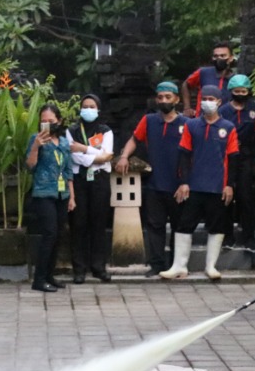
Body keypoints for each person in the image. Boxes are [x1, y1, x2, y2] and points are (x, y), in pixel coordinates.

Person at [160, 85, 239, 280]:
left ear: (220, 102)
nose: (208, 102)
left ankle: (211, 266)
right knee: (184, 224)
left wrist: (229, 185)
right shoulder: (191, 125)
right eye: (205, 98)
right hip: (194, 185)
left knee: (216, 226)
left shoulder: (228, 128)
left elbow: (234, 158)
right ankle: (179, 266)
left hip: (218, 186)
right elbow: (184, 155)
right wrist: (184, 182)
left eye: (212, 98)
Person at [116, 82, 187, 276]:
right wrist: (124, 156)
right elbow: (134, 139)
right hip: (155, 183)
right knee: (154, 226)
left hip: (179, 185)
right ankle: (156, 264)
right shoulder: (148, 120)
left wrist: (186, 182)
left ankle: (176, 265)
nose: (164, 100)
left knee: (178, 226)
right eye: (161, 97)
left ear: (177, 100)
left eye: (168, 97)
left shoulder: (187, 124)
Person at [25, 104, 76, 292]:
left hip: (62, 193)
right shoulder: (35, 139)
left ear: (59, 121)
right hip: (43, 192)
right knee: (49, 234)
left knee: (58, 235)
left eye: (50, 121)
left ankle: (49, 275)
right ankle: (38, 279)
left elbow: (68, 170)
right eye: (43, 121)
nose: (46, 124)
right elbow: (30, 166)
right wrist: (36, 147)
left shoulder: (63, 142)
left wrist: (72, 196)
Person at [67, 94, 115, 283]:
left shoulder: (106, 131)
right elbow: (73, 156)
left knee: (99, 224)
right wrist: (98, 156)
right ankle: (79, 269)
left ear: (98, 109)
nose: (88, 109)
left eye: (92, 106)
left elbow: (108, 155)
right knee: (78, 224)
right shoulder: (72, 130)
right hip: (79, 180)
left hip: (100, 180)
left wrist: (85, 149)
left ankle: (98, 267)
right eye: (85, 106)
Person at [219, 74, 255, 251]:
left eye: (243, 91)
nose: (240, 94)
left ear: (248, 91)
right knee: (226, 198)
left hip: (246, 156)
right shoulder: (223, 110)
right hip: (226, 157)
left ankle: (249, 238)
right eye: (236, 91)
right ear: (231, 92)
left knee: (245, 197)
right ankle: (227, 237)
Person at [182, 42, 236, 115]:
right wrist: (187, 107)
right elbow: (186, 84)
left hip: (225, 120)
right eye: (215, 56)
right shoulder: (203, 72)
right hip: (202, 118)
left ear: (231, 58)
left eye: (223, 55)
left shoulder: (235, 79)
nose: (219, 58)